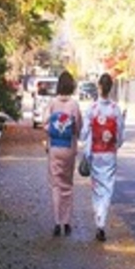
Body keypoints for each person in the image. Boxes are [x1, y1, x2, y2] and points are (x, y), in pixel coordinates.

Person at [80, 73, 125, 242]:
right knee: (108, 189)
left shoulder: (92, 109)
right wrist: (117, 144)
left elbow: (84, 134)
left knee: (97, 188)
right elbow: (120, 132)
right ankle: (101, 222)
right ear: (111, 88)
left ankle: (98, 219)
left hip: (95, 153)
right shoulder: (115, 109)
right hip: (109, 153)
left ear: (99, 87)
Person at [44, 70, 82, 236]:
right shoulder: (74, 105)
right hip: (69, 148)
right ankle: (67, 222)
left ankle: (56, 222)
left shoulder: (52, 104)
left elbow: (45, 124)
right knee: (67, 185)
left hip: (54, 148)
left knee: (56, 185)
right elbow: (78, 127)